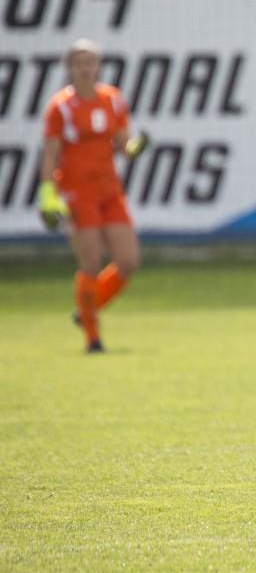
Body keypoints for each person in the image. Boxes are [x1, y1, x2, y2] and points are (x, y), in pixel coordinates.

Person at [39, 39, 145, 353]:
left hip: (109, 189)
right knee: (91, 262)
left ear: (97, 66)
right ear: (70, 68)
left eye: (90, 62)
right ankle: (92, 337)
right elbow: (50, 154)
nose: (86, 69)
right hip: (77, 191)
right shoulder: (60, 106)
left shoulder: (112, 99)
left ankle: (87, 309)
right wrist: (48, 194)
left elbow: (124, 145)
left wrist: (135, 148)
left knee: (128, 260)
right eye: (79, 63)